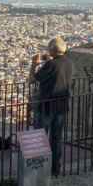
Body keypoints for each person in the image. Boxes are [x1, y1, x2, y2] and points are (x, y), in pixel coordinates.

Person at [29, 37, 74, 176]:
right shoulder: (69, 63)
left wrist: (34, 64)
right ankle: (55, 169)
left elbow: (32, 79)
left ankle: (39, 169)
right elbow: (58, 73)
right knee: (56, 138)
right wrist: (49, 60)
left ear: (53, 50)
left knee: (40, 137)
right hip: (62, 105)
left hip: (47, 106)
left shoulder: (51, 65)